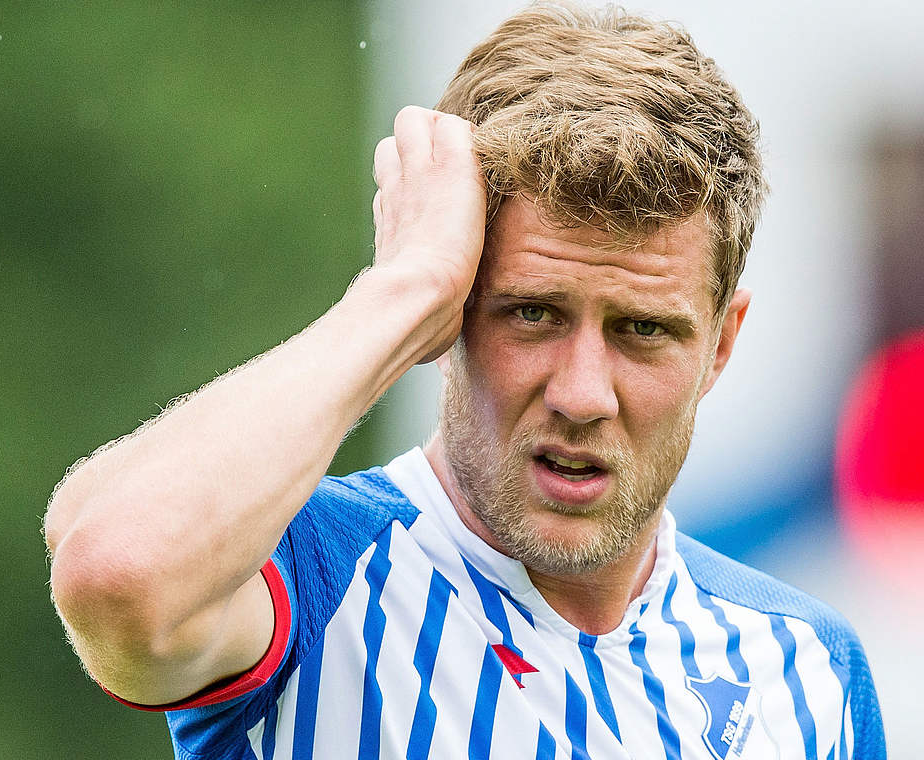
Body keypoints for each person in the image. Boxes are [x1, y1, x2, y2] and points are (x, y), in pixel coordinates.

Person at [44, 3, 885, 758]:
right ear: (453, 315)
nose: (583, 394)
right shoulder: (320, 573)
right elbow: (117, 573)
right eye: (533, 314)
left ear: (721, 345)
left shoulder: (806, 671)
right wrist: (402, 290)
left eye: (642, 330)